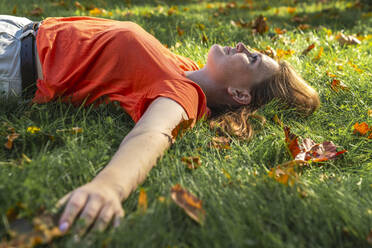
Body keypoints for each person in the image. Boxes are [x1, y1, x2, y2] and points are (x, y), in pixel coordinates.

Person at [0, 15, 320, 235]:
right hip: (19, 29)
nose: (241, 46)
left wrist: (108, 187)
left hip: (11, 59)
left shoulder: (183, 95)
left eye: (251, 59)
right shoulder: (185, 68)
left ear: (239, 94)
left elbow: (151, 134)